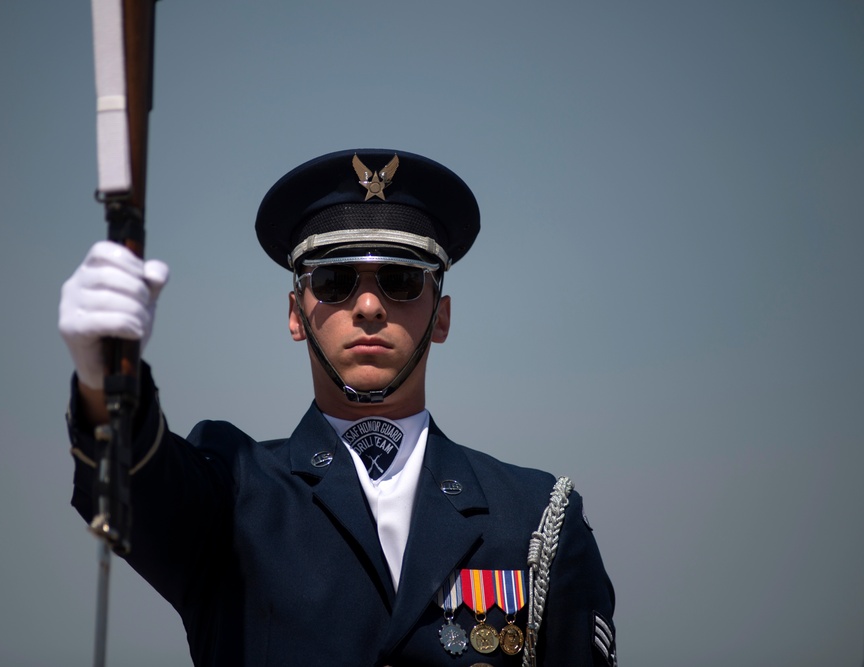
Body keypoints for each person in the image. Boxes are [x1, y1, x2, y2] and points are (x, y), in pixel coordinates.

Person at [59, 148, 616, 666]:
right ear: (297, 314)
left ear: (441, 317)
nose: (369, 305)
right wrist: (102, 374)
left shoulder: (535, 516)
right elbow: (138, 480)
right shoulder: (231, 488)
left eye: (400, 280)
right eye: (334, 280)